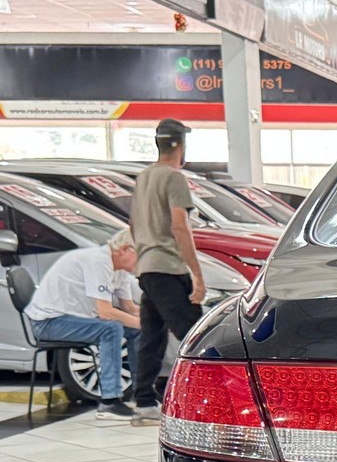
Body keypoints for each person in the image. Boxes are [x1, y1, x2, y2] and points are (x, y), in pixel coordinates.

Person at [130, 117, 205, 426]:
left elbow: (133, 225)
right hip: (168, 268)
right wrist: (197, 274)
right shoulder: (174, 178)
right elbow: (179, 226)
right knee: (195, 334)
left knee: (152, 337)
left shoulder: (144, 177)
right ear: (181, 146)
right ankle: (203, 400)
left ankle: (144, 401)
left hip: (147, 268)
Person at [23, 229, 141, 421]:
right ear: (125, 249)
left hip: (73, 319)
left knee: (135, 329)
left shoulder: (120, 269)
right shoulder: (99, 261)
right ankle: (110, 401)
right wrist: (141, 323)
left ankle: (142, 393)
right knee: (111, 329)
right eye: (142, 255)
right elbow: (105, 312)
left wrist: (153, 320)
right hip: (48, 322)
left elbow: (129, 307)